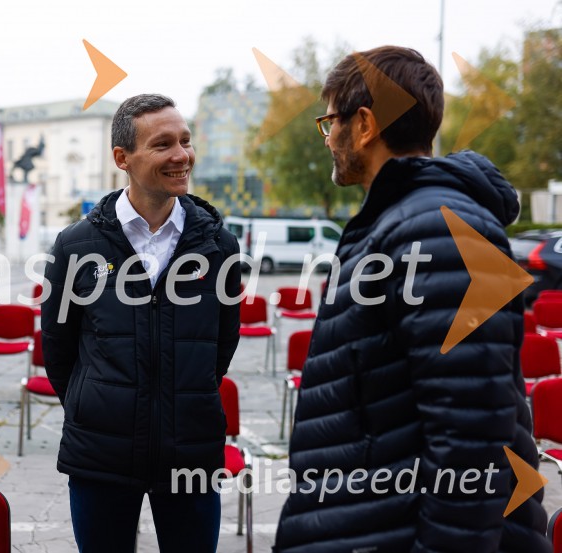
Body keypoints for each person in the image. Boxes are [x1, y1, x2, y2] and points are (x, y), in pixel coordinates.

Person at [273, 46, 550, 552]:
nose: (327, 136)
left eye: (329, 121)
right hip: (373, 520)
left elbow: (471, 442)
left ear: (363, 124)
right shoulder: (400, 224)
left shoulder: (439, 231)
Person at [41, 93, 241, 552]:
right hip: (100, 454)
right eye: (163, 144)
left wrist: (180, 396)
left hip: (190, 451)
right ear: (122, 158)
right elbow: (58, 346)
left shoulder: (219, 246)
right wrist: (94, 405)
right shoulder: (76, 246)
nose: (181, 156)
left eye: (186, 141)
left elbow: (221, 347)